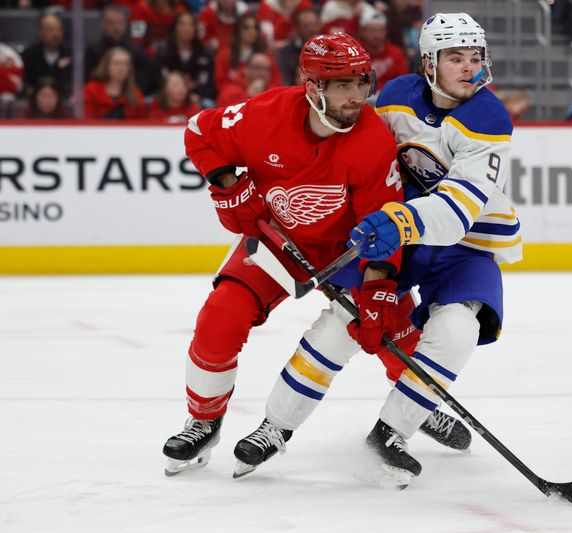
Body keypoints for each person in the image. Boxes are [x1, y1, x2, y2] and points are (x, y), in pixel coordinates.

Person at [161, 32, 467, 478]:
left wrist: (379, 288)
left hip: (349, 251)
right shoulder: (262, 115)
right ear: (312, 87)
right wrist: (229, 185)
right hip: (276, 242)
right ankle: (203, 421)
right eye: (343, 85)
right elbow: (198, 132)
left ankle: (417, 408)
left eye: (363, 82)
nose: (357, 96)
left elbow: (384, 226)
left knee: (394, 334)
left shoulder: (372, 140)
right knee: (219, 317)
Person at [236, 12, 518, 489]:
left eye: (476, 57)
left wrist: (398, 219)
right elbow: (365, 159)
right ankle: (274, 427)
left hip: (465, 246)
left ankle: (391, 435)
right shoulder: (396, 97)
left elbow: (459, 210)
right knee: (341, 325)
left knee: (455, 330)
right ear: (429, 63)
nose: (470, 68)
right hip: (395, 238)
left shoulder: (488, 116)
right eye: (456, 58)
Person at [155, 12, 216, 107]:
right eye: (182, 24)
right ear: (175, 28)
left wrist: (195, 96)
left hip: (197, 98)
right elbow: (157, 81)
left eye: (190, 25)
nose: (186, 29)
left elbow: (209, 85)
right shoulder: (163, 54)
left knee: (209, 104)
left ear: (195, 29)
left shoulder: (205, 55)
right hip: (168, 99)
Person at [84, 47, 146, 119]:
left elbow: (141, 124)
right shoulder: (90, 90)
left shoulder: (136, 94)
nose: (121, 68)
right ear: (107, 66)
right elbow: (86, 120)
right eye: (116, 63)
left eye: (125, 64)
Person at [22, 14, 72, 99]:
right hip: (36, 105)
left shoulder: (70, 55)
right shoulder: (30, 55)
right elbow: (25, 83)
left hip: (64, 103)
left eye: (59, 29)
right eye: (50, 29)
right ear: (40, 32)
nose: (56, 34)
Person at [358, 5, 408, 93]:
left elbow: (402, 82)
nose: (376, 35)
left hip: (390, 98)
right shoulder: (356, 54)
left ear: (385, 31)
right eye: (372, 31)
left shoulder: (396, 52)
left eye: (380, 31)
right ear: (363, 32)